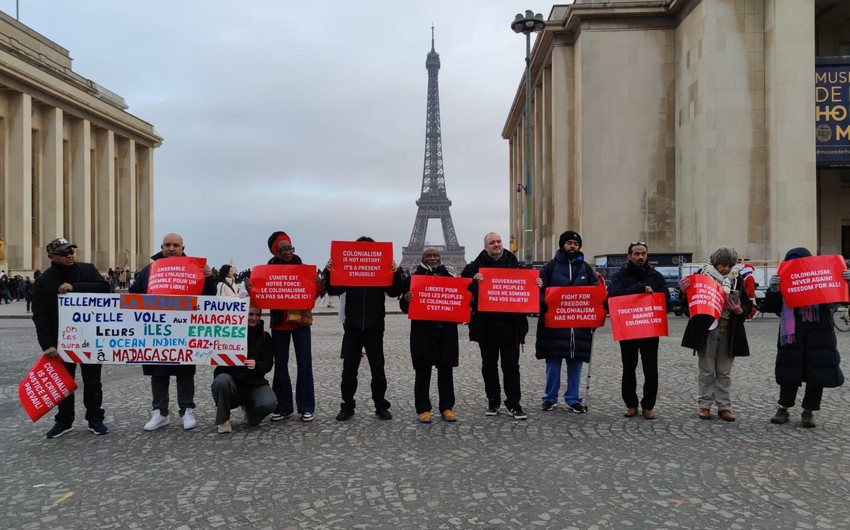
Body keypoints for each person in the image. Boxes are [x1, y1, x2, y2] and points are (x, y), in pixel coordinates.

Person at [130, 233, 216, 431]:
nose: (171, 248)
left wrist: (209, 278)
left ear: (182, 248)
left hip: (185, 329)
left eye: (175, 245)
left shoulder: (196, 269)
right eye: (167, 245)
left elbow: (209, 297)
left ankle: (187, 410)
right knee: (158, 373)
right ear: (161, 247)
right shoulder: (149, 270)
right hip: (156, 331)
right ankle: (159, 412)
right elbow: (133, 294)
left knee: (185, 371)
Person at [32, 238, 110, 438]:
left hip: (90, 338)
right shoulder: (43, 281)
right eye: (64, 253)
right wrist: (47, 345)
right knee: (63, 383)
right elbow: (40, 315)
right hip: (61, 343)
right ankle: (64, 421)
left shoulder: (87, 270)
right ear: (51, 256)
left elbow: (104, 288)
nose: (69, 255)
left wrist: (75, 287)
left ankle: (95, 418)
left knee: (93, 382)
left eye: (71, 252)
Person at [763, 247, 847, 428]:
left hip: (820, 334)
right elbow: (771, 307)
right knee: (789, 371)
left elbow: (843, 297)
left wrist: (846, 281)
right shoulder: (784, 280)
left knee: (817, 373)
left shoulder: (821, 278)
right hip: (792, 335)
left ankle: (809, 411)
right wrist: (774, 289)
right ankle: (783, 408)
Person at [324, 236, 404, 421]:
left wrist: (395, 271)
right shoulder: (348, 273)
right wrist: (330, 270)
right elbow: (334, 289)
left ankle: (380, 404)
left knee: (378, 369)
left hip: (374, 326)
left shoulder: (381, 271)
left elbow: (393, 291)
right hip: (352, 327)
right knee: (349, 370)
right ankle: (347, 405)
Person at [249, 231, 318, 422]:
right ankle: (283, 405)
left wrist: (319, 285)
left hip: (300, 322)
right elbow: (259, 297)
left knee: (305, 364)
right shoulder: (267, 272)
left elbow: (312, 295)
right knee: (280, 365)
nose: (288, 252)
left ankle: (306, 406)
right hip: (280, 323)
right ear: (275, 252)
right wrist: (250, 289)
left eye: (290, 248)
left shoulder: (302, 268)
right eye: (283, 249)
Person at [461, 232, 530, 420]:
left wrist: (537, 284)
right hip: (486, 326)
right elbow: (462, 289)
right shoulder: (473, 268)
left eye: (498, 241)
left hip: (511, 325)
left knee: (511, 366)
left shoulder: (517, 265)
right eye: (492, 242)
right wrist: (474, 284)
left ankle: (514, 403)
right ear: (485, 247)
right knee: (488, 364)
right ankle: (493, 400)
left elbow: (529, 289)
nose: (496, 245)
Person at [680, 247, 751, 421]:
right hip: (706, 330)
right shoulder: (701, 276)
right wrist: (684, 292)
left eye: (729, 265)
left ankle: (724, 406)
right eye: (722, 264)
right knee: (706, 370)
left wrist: (739, 309)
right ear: (715, 263)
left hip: (729, 329)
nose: (726, 268)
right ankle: (704, 405)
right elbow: (686, 306)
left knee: (724, 372)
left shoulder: (737, 280)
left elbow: (747, 305)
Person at [536, 230, 599, 413]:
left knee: (576, 364)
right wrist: (545, 305)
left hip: (578, 328)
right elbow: (540, 292)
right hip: (554, 327)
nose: (573, 246)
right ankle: (549, 398)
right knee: (553, 365)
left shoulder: (587, 269)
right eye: (569, 243)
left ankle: (573, 398)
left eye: (575, 243)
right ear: (562, 245)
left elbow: (595, 294)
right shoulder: (549, 267)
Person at [607, 242, 670, 419]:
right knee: (629, 368)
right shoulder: (621, 276)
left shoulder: (656, 276)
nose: (640, 257)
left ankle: (648, 406)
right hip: (628, 331)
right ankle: (631, 405)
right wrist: (639, 289)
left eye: (643, 254)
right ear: (629, 256)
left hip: (650, 330)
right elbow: (613, 297)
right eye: (636, 254)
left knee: (651, 370)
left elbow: (666, 300)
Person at [400, 247, 459, 423]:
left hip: (445, 332)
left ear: (440, 258)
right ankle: (423, 408)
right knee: (423, 370)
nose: (433, 258)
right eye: (429, 256)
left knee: (446, 370)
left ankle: (447, 407)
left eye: (435, 255)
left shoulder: (450, 278)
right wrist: (406, 299)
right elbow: (404, 307)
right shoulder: (412, 280)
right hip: (423, 333)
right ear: (422, 258)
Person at [210, 305, 277, 433]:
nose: (254, 318)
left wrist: (257, 365)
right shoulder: (228, 333)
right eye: (250, 314)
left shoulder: (265, 336)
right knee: (221, 381)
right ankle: (223, 420)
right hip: (232, 381)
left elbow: (268, 364)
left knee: (270, 403)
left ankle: (250, 412)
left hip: (254, 383)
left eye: (257, 315)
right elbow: (217, 359)